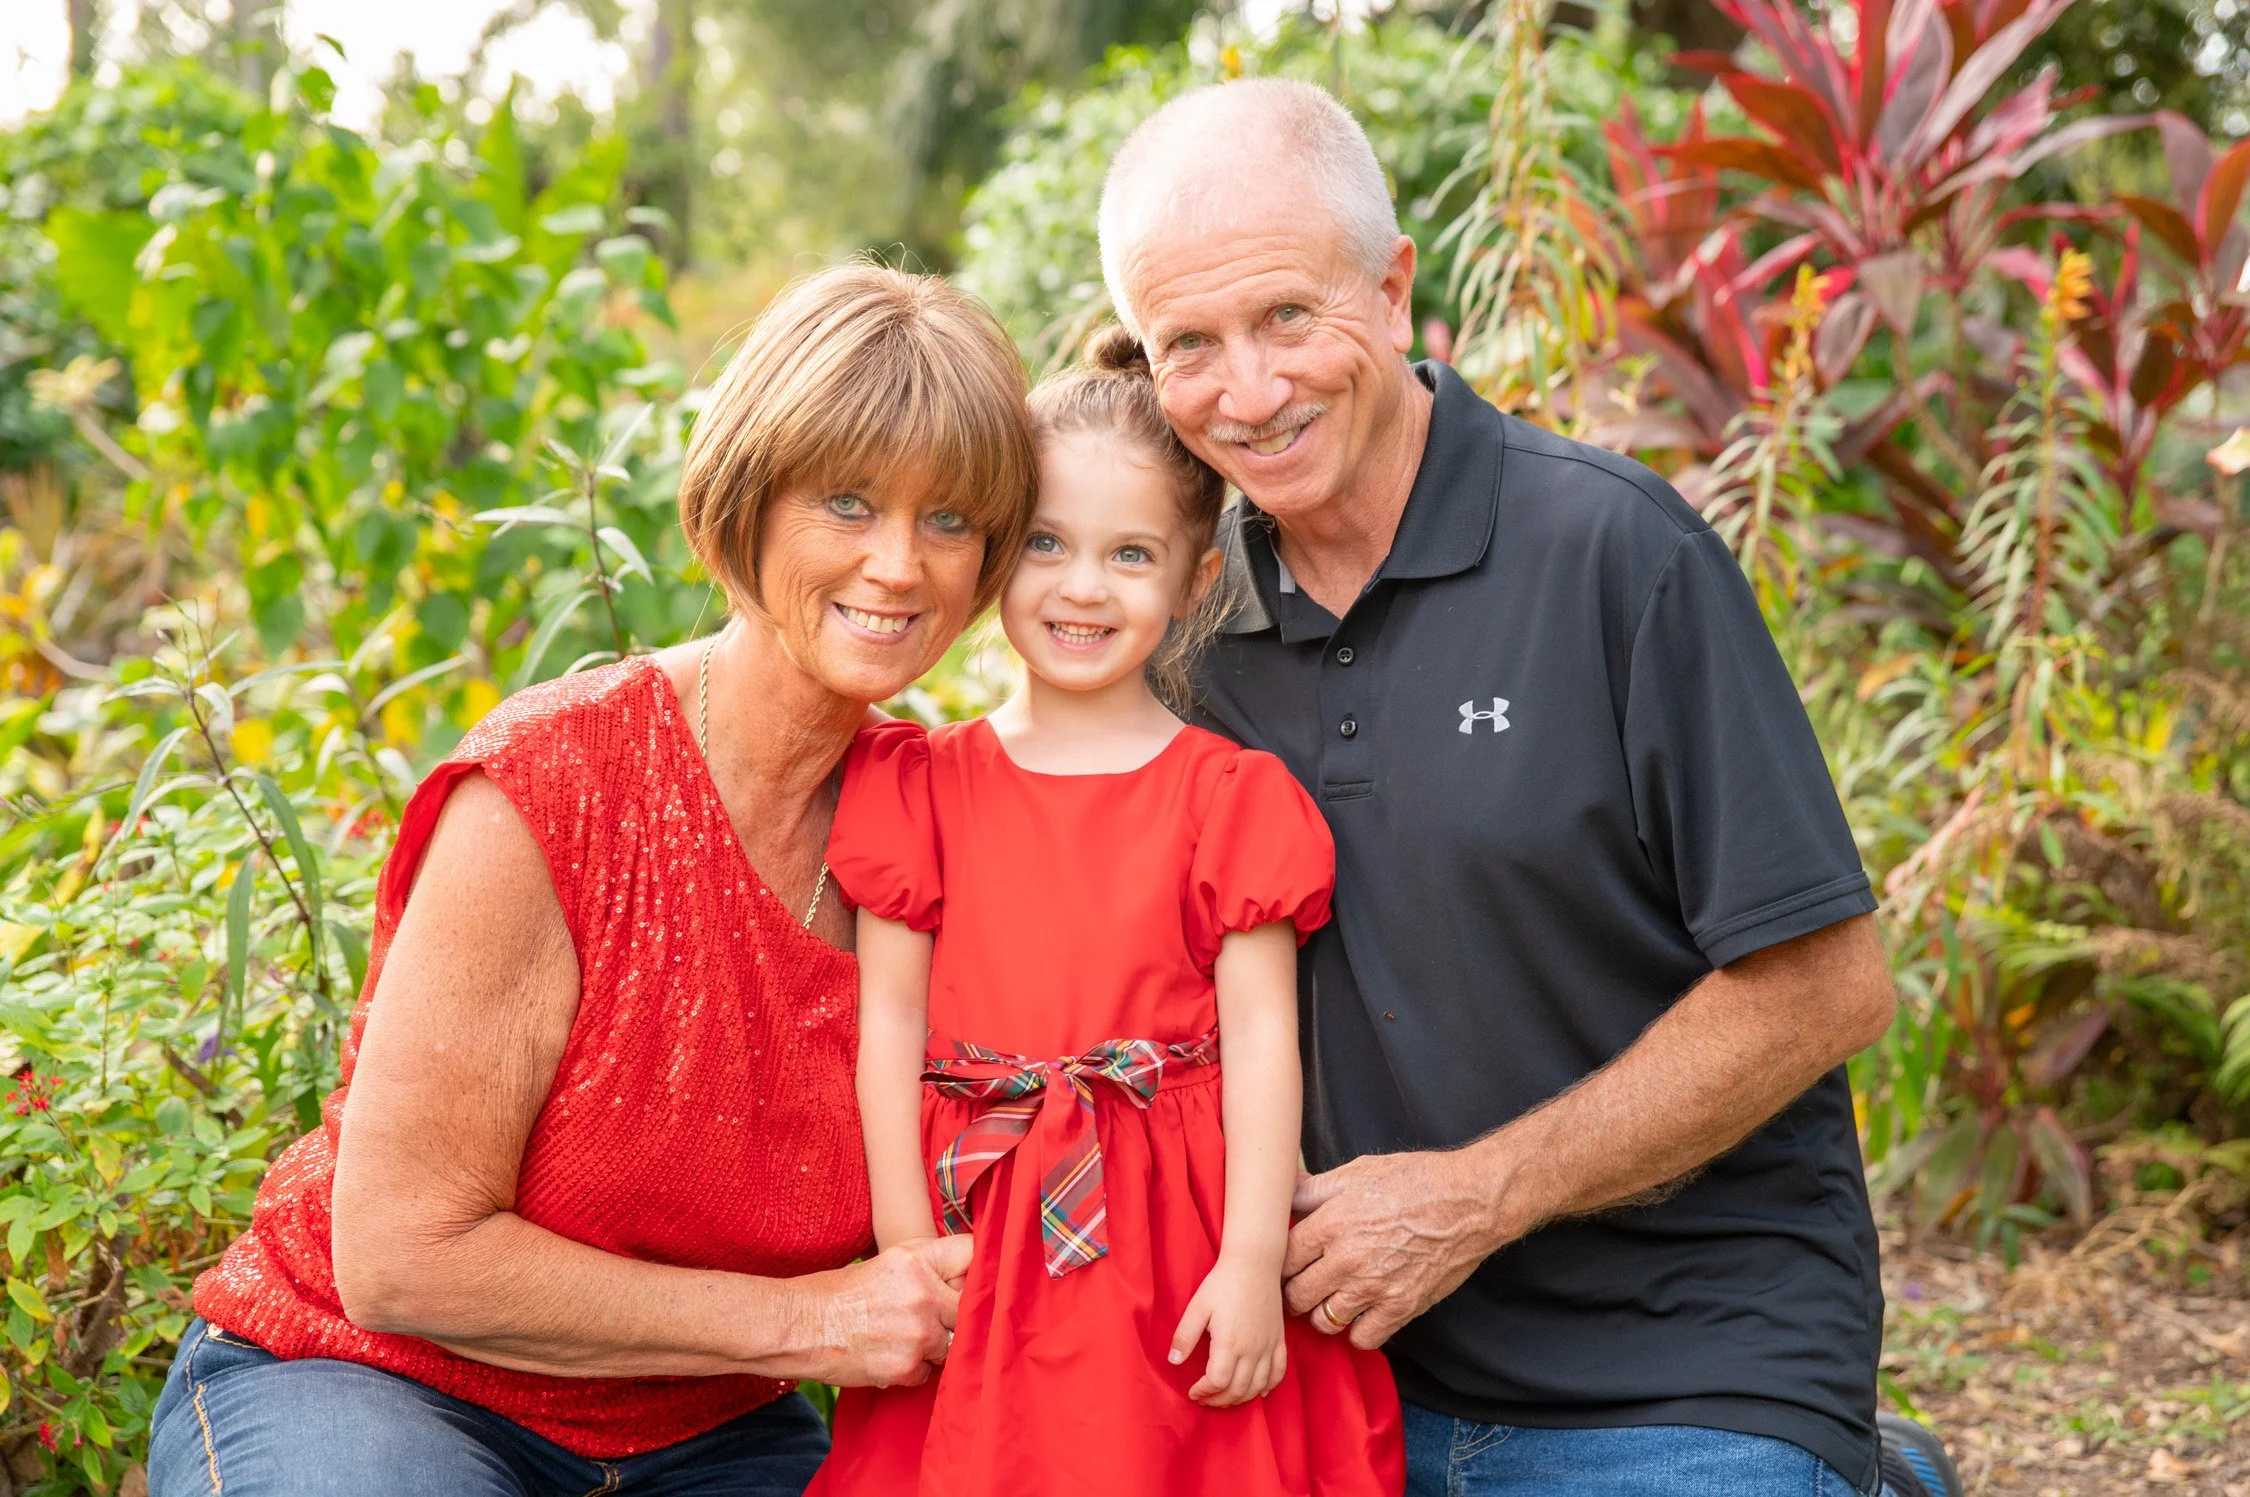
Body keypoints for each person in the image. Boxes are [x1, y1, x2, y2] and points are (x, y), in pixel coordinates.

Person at [1094, 77, 1963, 1497]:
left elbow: (1827, 986)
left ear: (1391, 292)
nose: (1244, 394)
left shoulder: (1614, 555)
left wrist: (1469, 1197)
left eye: (1286, 320)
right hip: (1343, 1367)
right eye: (1187, 343)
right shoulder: (1185, 633)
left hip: (1687, 1361)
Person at [147, 264, 1042, 1497]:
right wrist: (809, 1326)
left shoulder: (948, 821)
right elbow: (403, 1258)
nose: (899, 564)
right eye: (848, 502)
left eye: (950, 521)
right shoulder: (553, 782)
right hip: (376, 1377)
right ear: (750, 501)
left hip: (706, 1435)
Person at [805, 326, 1405, 1497]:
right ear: (991, 559)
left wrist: (1247, 1263)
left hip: (1171, 1230)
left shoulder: (1229, 797)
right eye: (1045, 545)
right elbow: (888, 1033)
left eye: (1130, 555)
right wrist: (901, 1248)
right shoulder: (921, 784)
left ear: (1195, 581)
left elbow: (1262, 1045)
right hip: (981, 1220)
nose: (1082, 587)